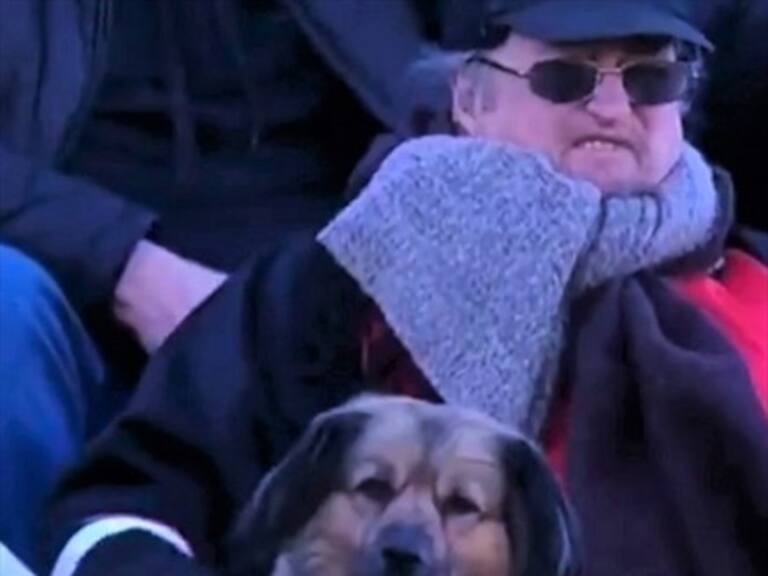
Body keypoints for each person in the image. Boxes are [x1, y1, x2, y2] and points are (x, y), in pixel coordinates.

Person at [42, 0, 768, 575]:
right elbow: (138, 499)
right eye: (566, 76)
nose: (612, 107)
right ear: (471, 99)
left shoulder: (749, 283)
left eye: (649, 78)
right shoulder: (332, 284)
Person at [0, 0, 437, 570]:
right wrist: (122, 261)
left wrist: (297, 298)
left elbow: (507, 54)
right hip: (71, 304)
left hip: (322, 299)